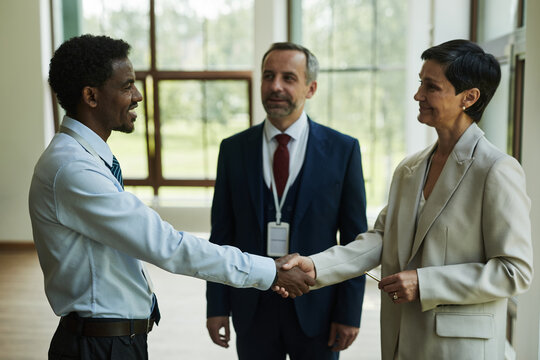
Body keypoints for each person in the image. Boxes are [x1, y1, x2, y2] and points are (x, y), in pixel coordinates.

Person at [28, 34, 314, 360]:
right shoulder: (73, 169)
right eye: (126, 86)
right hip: (98, 347)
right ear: (91, 96)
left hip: (113, 340)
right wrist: (270, 271)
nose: (137, 95)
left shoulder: (84, 158)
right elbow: (169, 246)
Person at [277, 39, 533, 360]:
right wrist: (316, 266)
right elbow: (381, 240)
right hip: (401, 343)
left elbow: (515, 271)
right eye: (419, 83)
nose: (418, 95)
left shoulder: (496, 170)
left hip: (460, 349)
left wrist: (425, 283)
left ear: (469, 97)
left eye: (431, 86)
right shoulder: (410, 168)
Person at [205, 42, 368, 360]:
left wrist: (349, 313)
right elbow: (221, 235)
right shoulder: (233, 149)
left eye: (288, 78)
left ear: (311, 88)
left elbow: (354, 239)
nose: (275, 86)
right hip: (251, 307)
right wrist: (217, 306)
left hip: (318, 308)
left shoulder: (343, 150)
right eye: (268, 76)